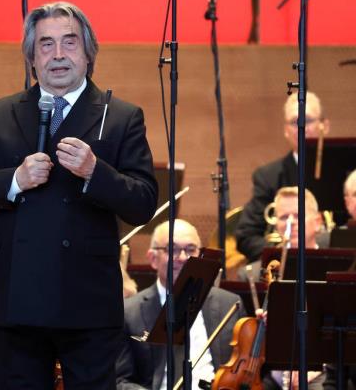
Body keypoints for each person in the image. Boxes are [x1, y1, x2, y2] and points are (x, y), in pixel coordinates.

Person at [0, 1, 158, 389]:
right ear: (31, 57)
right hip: (18, 301)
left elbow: (144, 201)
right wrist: (14, 179)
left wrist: (97, 172)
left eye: (69, 42)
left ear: (89, 52)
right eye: (45, 44)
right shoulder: (1, 113)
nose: (58, 55)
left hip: (88, 302)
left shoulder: (121, 116)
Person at [115, 219, 245, 389]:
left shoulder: (230, 304)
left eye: (190, 249)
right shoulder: (129, 313)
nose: (183, 257)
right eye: (172, 250)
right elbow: (119, 381)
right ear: (153, 258)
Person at [235, 91, 330, 262]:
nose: (302, 128)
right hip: (284, 267)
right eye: (295, 122)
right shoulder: (268, 177)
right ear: (286, 130)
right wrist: (285, 253)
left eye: (307, 120)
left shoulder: (348, 175)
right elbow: (246, 236)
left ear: (325, 126)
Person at [238, 186, 325, 282]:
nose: (290, 222)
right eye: (284, 217)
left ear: (317, 222)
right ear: (276, 226)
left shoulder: (337, 269)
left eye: (298, 216)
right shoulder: (251, 276)